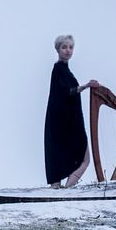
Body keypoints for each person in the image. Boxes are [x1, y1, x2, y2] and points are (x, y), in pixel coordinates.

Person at [45, 35, 99, 187]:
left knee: (81, 158)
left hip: (68, 121)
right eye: (64, 47)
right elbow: (67, 92)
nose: (68, 50)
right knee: (84, 159)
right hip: (64, 123)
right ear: (58, 50)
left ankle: (65, 190)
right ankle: (65, 190)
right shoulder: (58, 69)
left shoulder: (65, 71)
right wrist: (86, 85)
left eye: (70, 47)